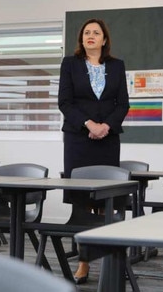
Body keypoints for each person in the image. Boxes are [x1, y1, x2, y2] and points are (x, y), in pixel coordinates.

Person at [58, 18, 129, 284]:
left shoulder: (116, 66)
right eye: (86, 32)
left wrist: (106, 126)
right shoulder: (70, 64)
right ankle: (84, 262)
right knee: (82, 201)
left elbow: (123, 103)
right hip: (79, 138)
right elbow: (64, 101)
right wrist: (89, 124)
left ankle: (109, 259)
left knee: (105, 201)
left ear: (104, 40)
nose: (90, 36)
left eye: (95, 32)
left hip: (107, 139)